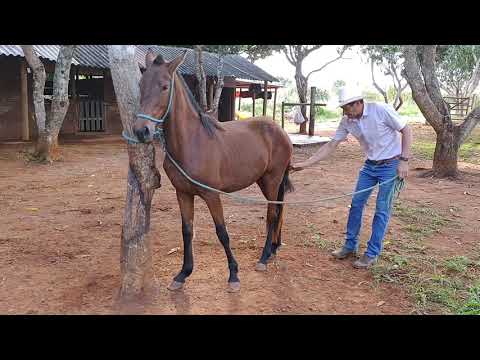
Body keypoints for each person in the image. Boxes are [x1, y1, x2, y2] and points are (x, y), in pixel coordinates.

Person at [291, 87, 413, 269]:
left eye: (347, 109)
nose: (346, 113)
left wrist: (404, 160)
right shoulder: (347, 121)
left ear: (358, 103)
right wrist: (306, 164)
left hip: (391, 165)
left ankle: (372, 253)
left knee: (382, 209)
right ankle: (349, 245)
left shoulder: (381, 110)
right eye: (343, 110)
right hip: (370, 165)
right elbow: (332, 145)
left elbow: (407, 130)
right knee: (356, 204)